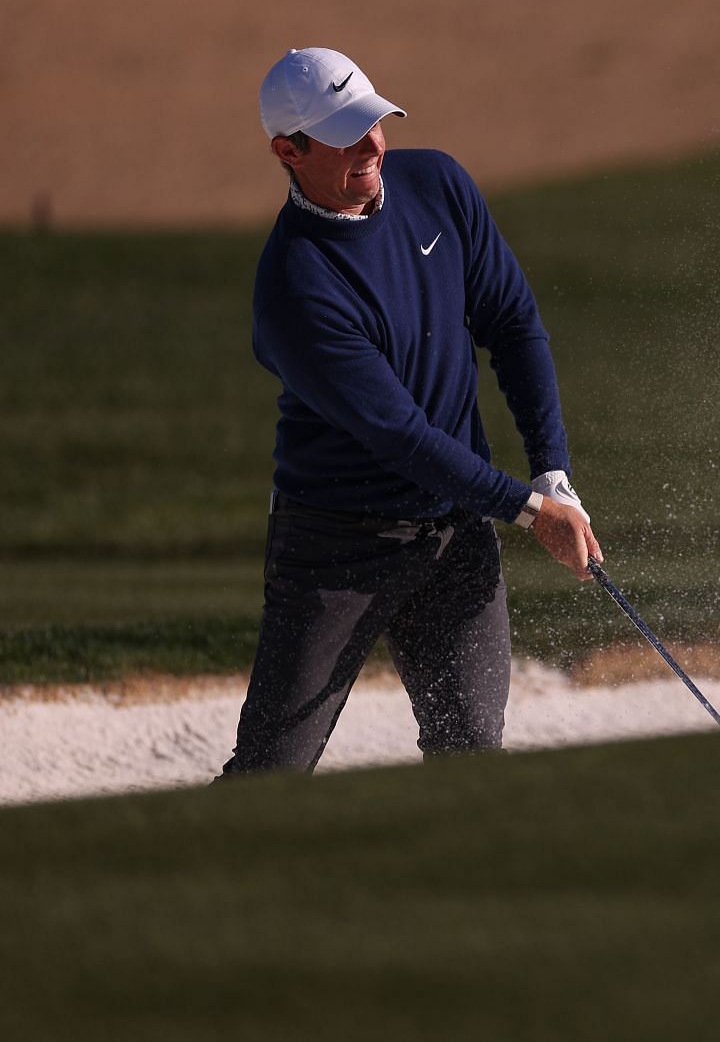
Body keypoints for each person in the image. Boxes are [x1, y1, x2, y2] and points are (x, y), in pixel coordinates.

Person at [222, 46, 601, 776]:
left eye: (374, 122)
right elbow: (403, 437)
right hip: (337, 548)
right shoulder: (296, 286)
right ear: (287, 151)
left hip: (454, 536)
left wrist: (552, 471)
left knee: (469, 760)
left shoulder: (436, 185)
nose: (372, 146)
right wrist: (530, 512)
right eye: (344, 134)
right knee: (270, 775)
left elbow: (514, 322)